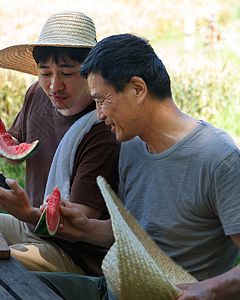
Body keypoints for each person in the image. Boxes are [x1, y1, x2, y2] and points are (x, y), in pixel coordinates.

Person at [33, 33, 240, 299]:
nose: (99, 114)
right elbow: (139, 234)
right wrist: (84, 228)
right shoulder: (131, 144)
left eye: (102, 99)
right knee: (9, 283)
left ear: (137, 89)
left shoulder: (219, 160)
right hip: (110, 290)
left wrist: (208, 289)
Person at [0, 11, 120, 276]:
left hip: (73, 254)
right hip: (31, 224)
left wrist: (24, 212)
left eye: (67, 73)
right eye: (45, 73)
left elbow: (74, 226)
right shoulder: (37, 93)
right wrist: (2, 149)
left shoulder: (104, 130)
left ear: (91, 73)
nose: (54, 85)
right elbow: (18, 150)